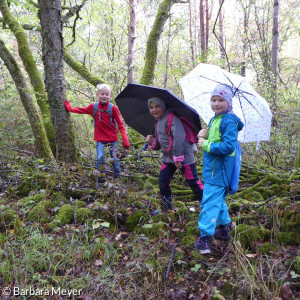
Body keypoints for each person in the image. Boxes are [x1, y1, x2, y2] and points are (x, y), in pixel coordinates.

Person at [194, 84, 244, 254]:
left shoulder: (229, 120)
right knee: (218, 199)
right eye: (213, 100)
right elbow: (215, 138)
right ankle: (222, 229)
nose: (216, 103)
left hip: (220, 169)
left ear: (228, 102)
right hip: (213, 168)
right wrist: (204, 135)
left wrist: (205, 144)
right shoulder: (216, 118)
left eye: (221, 100)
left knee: (209, 201)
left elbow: (228, 146)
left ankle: (204, 238)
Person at [146, 97, 204, 213]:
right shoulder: (158, 123)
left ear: (163, 107)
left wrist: (178, 158)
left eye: (157, 106)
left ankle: (209, 205)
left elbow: (179, 138)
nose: (154, 110)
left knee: (193, 182)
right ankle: (168, 208)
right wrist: (151, 142)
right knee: (163, 181)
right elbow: (161, 144)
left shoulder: (171, 118)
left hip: (184, 156)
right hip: (168, 158)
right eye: (151, 107)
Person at [64, 84, 130, 186]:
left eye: (107, 94)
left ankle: (118, 180)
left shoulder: (113, 108)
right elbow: (81, 110)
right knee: (100, 158)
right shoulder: (93, 107)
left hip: (113, 138)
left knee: (115, 159)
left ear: (110, 96)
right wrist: (69, 108)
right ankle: (101, 180)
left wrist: (125, 141)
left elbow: (120, 124)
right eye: (102, 94)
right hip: (100, 139)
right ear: (97, 95)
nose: (104, 96)